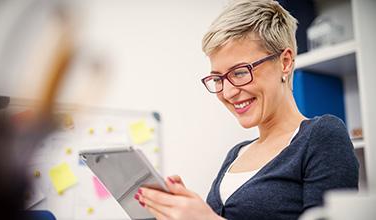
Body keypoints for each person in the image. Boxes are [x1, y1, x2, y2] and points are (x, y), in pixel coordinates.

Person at [134, 0, 359, 219]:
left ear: (285, 61)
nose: (228, 92)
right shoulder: (236, 154)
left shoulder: (322, 135)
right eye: (218, 78)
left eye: (240, 72)